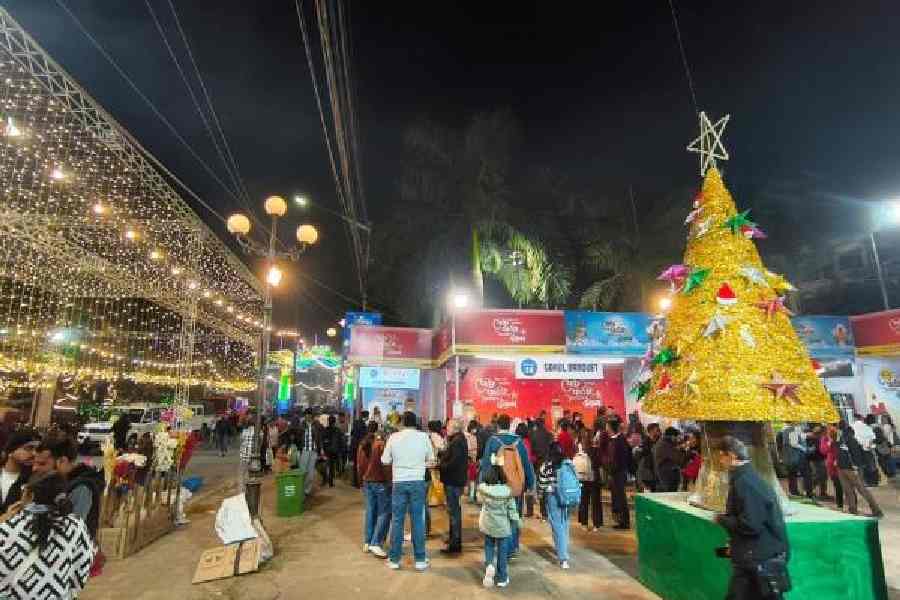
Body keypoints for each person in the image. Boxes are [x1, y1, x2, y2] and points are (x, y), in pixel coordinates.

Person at [714, 436, 790, 600]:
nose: (720, 461)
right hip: (754, 556)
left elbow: (751, 524)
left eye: (721, 456)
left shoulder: (745, 483)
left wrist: (721, 520)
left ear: (732, 456)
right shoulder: (746, 479)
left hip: (757, 558)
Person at [0, 472, 95, 600]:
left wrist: (6, 518)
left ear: (30, 495)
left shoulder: (8, 528)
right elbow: (80, 575)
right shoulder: (76, 526)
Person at [381, 411, 434, 571]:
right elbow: (431, 460)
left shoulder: (394, 438)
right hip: (418, 482)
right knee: (418, 520)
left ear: (402, 422)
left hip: (399, 482)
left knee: (397, 520)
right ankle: (420, 560)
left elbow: (385, 460)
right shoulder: (423, 437)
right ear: (415, 422)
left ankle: (394, 560)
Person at [480, 414, 536, 557]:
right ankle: (512, 547)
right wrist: (530, 483)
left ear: (497, 426)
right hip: (516, 485)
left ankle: (501, 547)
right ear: (510, 425)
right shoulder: (519, 442)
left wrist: (483, 484)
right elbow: (526, 464)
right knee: (514, 515)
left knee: (499, 516)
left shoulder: (492, 441)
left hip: (498, 485)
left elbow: (486, 464)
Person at [31, 436, 104, 539]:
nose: (34, 468)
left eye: (42, 464)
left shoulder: (81, 488)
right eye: (34, 463)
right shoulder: (53, 483)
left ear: (62, 461)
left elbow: (69, 532)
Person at [478, 461, 520, 588]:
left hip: (488, 524)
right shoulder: (507, 493)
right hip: (502, 527)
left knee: (489, 546)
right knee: (502, 550)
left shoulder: (484, 491)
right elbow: (512, 511)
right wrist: (517, 522)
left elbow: (479, 500)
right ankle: (502, 578)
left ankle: (489, 564)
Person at [358, 422, 391, 558]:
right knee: (384, 512)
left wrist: (361, 481)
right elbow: (385, 465)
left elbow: (359, 465)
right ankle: (375, 542)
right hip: (380, 483)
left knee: (370, 511)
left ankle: (367, 541)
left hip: (367, 482)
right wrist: (390, 481)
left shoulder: (362, 444)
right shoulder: (379, 445)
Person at [837, 424, 884, 518]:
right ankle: (852, 509)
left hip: (851, 469)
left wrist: (856, 467)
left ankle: (876, 510)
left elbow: (856, 455)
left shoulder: (850, 440)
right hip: (843, 468)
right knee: (849, 490)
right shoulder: (842, 440)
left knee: (861, 489)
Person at [537, 442, 572, 569]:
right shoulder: (567, 463)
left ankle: (563, 557)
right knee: (565, 523)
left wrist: (540, 496)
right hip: (567, 497)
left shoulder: (545, 466)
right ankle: (563, 549)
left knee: (557, 526)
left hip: (553, 497)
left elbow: (541, 485)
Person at [439, 419, 467, 555]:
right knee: (453, 512)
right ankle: (453, 539)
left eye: (449, 426)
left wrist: (440, 465)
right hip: (455, 481)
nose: (447, 428)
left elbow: (453, 463)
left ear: (455, 428)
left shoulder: (457, 442)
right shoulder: (458, 440)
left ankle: (455, 543)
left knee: (454, 512)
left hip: (453, 482)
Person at [0, 430, 38, 514]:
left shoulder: (33, 481)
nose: (34, 453)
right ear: (11, 451)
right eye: (29, 448)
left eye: (36, 449)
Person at [606, 418, 632, 529]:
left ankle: (624, 522)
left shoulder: (619, 440)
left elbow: (619, 458)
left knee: (620, 497)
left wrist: (612, 468)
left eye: (607, 426)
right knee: (617, 497)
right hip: (616, 472)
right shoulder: (616, 439)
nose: (606, 428)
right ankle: (621, 521)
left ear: (611, 427)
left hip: (618, 472)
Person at [294, 408, 324, 496]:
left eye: (310, 414)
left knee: (311, 473)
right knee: (302, 471)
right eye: (306, 415)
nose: (308, 416)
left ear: (312, 416)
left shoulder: (317, 425)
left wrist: (321, 449)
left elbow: (319, 438)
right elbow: (297, 437)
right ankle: (301, 489)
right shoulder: (301, 425)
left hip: (313, 451)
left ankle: (307, 490)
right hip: (304, 450)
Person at [574, 436, 601, 531]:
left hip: (587, 479)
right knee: (589, 501)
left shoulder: (590, 451)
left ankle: (588, 523)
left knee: (587, 501)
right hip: (589, 479)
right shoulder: (594, 450)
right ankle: (591, 524)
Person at [529, 418, 553, 520]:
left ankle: (543, 512)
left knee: (540, 487)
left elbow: (533, 449)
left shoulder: (533, 435)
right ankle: (548, 511)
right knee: (548, 487)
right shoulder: (549, 434)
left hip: (538, 463)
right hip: (547, 462)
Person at [780, 423, 812, 498]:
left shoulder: (785, 430)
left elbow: (799, 437)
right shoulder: (791, 429)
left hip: (790, 456)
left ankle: (794, 492)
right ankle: (805, 492)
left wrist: (805, 435)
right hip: (796, 456)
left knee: (792, 474)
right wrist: (805, 449)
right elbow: (794, 443)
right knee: (805, 473)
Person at [820, 424, 844, 510]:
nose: (831, 428)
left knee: (846, 484)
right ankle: (840, 504)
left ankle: (852, 503)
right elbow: (823, 450)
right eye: (829, 426)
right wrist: (830, 442)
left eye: (833, 426)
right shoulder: (825, 438)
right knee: (837, 485)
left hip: (842, 462)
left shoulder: (840, 435)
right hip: (832, 465)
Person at [654, 427, 684, 493]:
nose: (677, 439)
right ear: (672, 436)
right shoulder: (665, 444)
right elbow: (677, 459)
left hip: (666, 474)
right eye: (676, 437)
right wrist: (682, 450)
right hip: (667, 475)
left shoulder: (664, 443)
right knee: (669, 494)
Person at [636, 423, 661, 492]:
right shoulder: (644, 444)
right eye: (657, 430)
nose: (659, 431)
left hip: (658, 474)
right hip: (647, 474)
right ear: (651, 431)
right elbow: (640, 460)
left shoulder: (660, 442)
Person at [806, 425, 830, 499]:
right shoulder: (813, 439)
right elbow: (814, 450)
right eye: (825, 431)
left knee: (823, 476)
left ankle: (823, 493)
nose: (826, 433)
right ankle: (809, 490)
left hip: (820, 459)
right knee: (818, 476)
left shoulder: (819, 438)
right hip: (816, 460)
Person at [322, 415, 344, 488]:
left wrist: (324, 449)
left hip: (327, 450)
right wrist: (340, 450)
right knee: (332, 466)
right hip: (335, 451)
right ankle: (331, 482)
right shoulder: (338, 430)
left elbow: (323, 440)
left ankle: (325, 480)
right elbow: (341, 441)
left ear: (329, 421)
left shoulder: (325, 430)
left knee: (326, 465)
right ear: (334, 422)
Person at [350, 410, 370, 488]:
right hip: (360, 447)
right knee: (360, 465)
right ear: (366, 417)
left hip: (354, 446)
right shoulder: (363, 425)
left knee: (355, 465)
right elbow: (363, 436)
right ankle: (359, 483)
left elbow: (352, 433)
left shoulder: (356, 423)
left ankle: (355, 482)